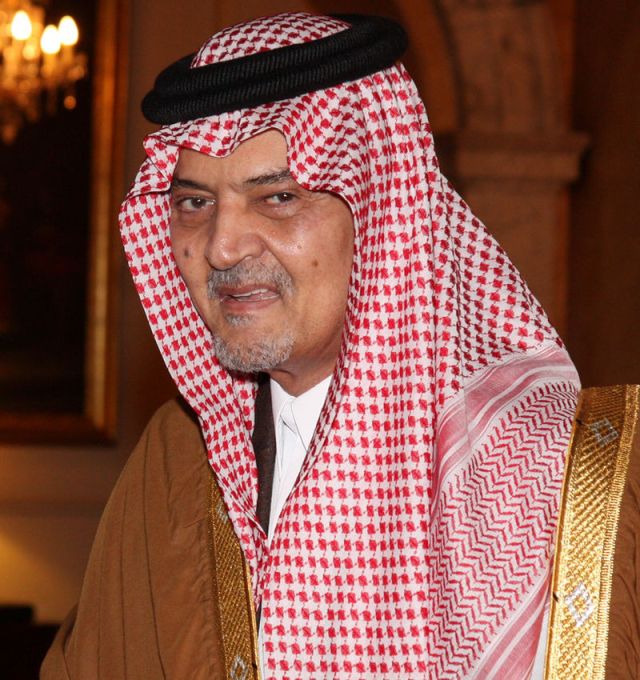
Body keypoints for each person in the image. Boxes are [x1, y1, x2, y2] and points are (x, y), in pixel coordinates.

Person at [41, 12, 595, 679]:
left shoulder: (552, 468)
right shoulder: (172, 462)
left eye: (278, 197)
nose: (222, 247)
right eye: (194, 204)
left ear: (383, 212)